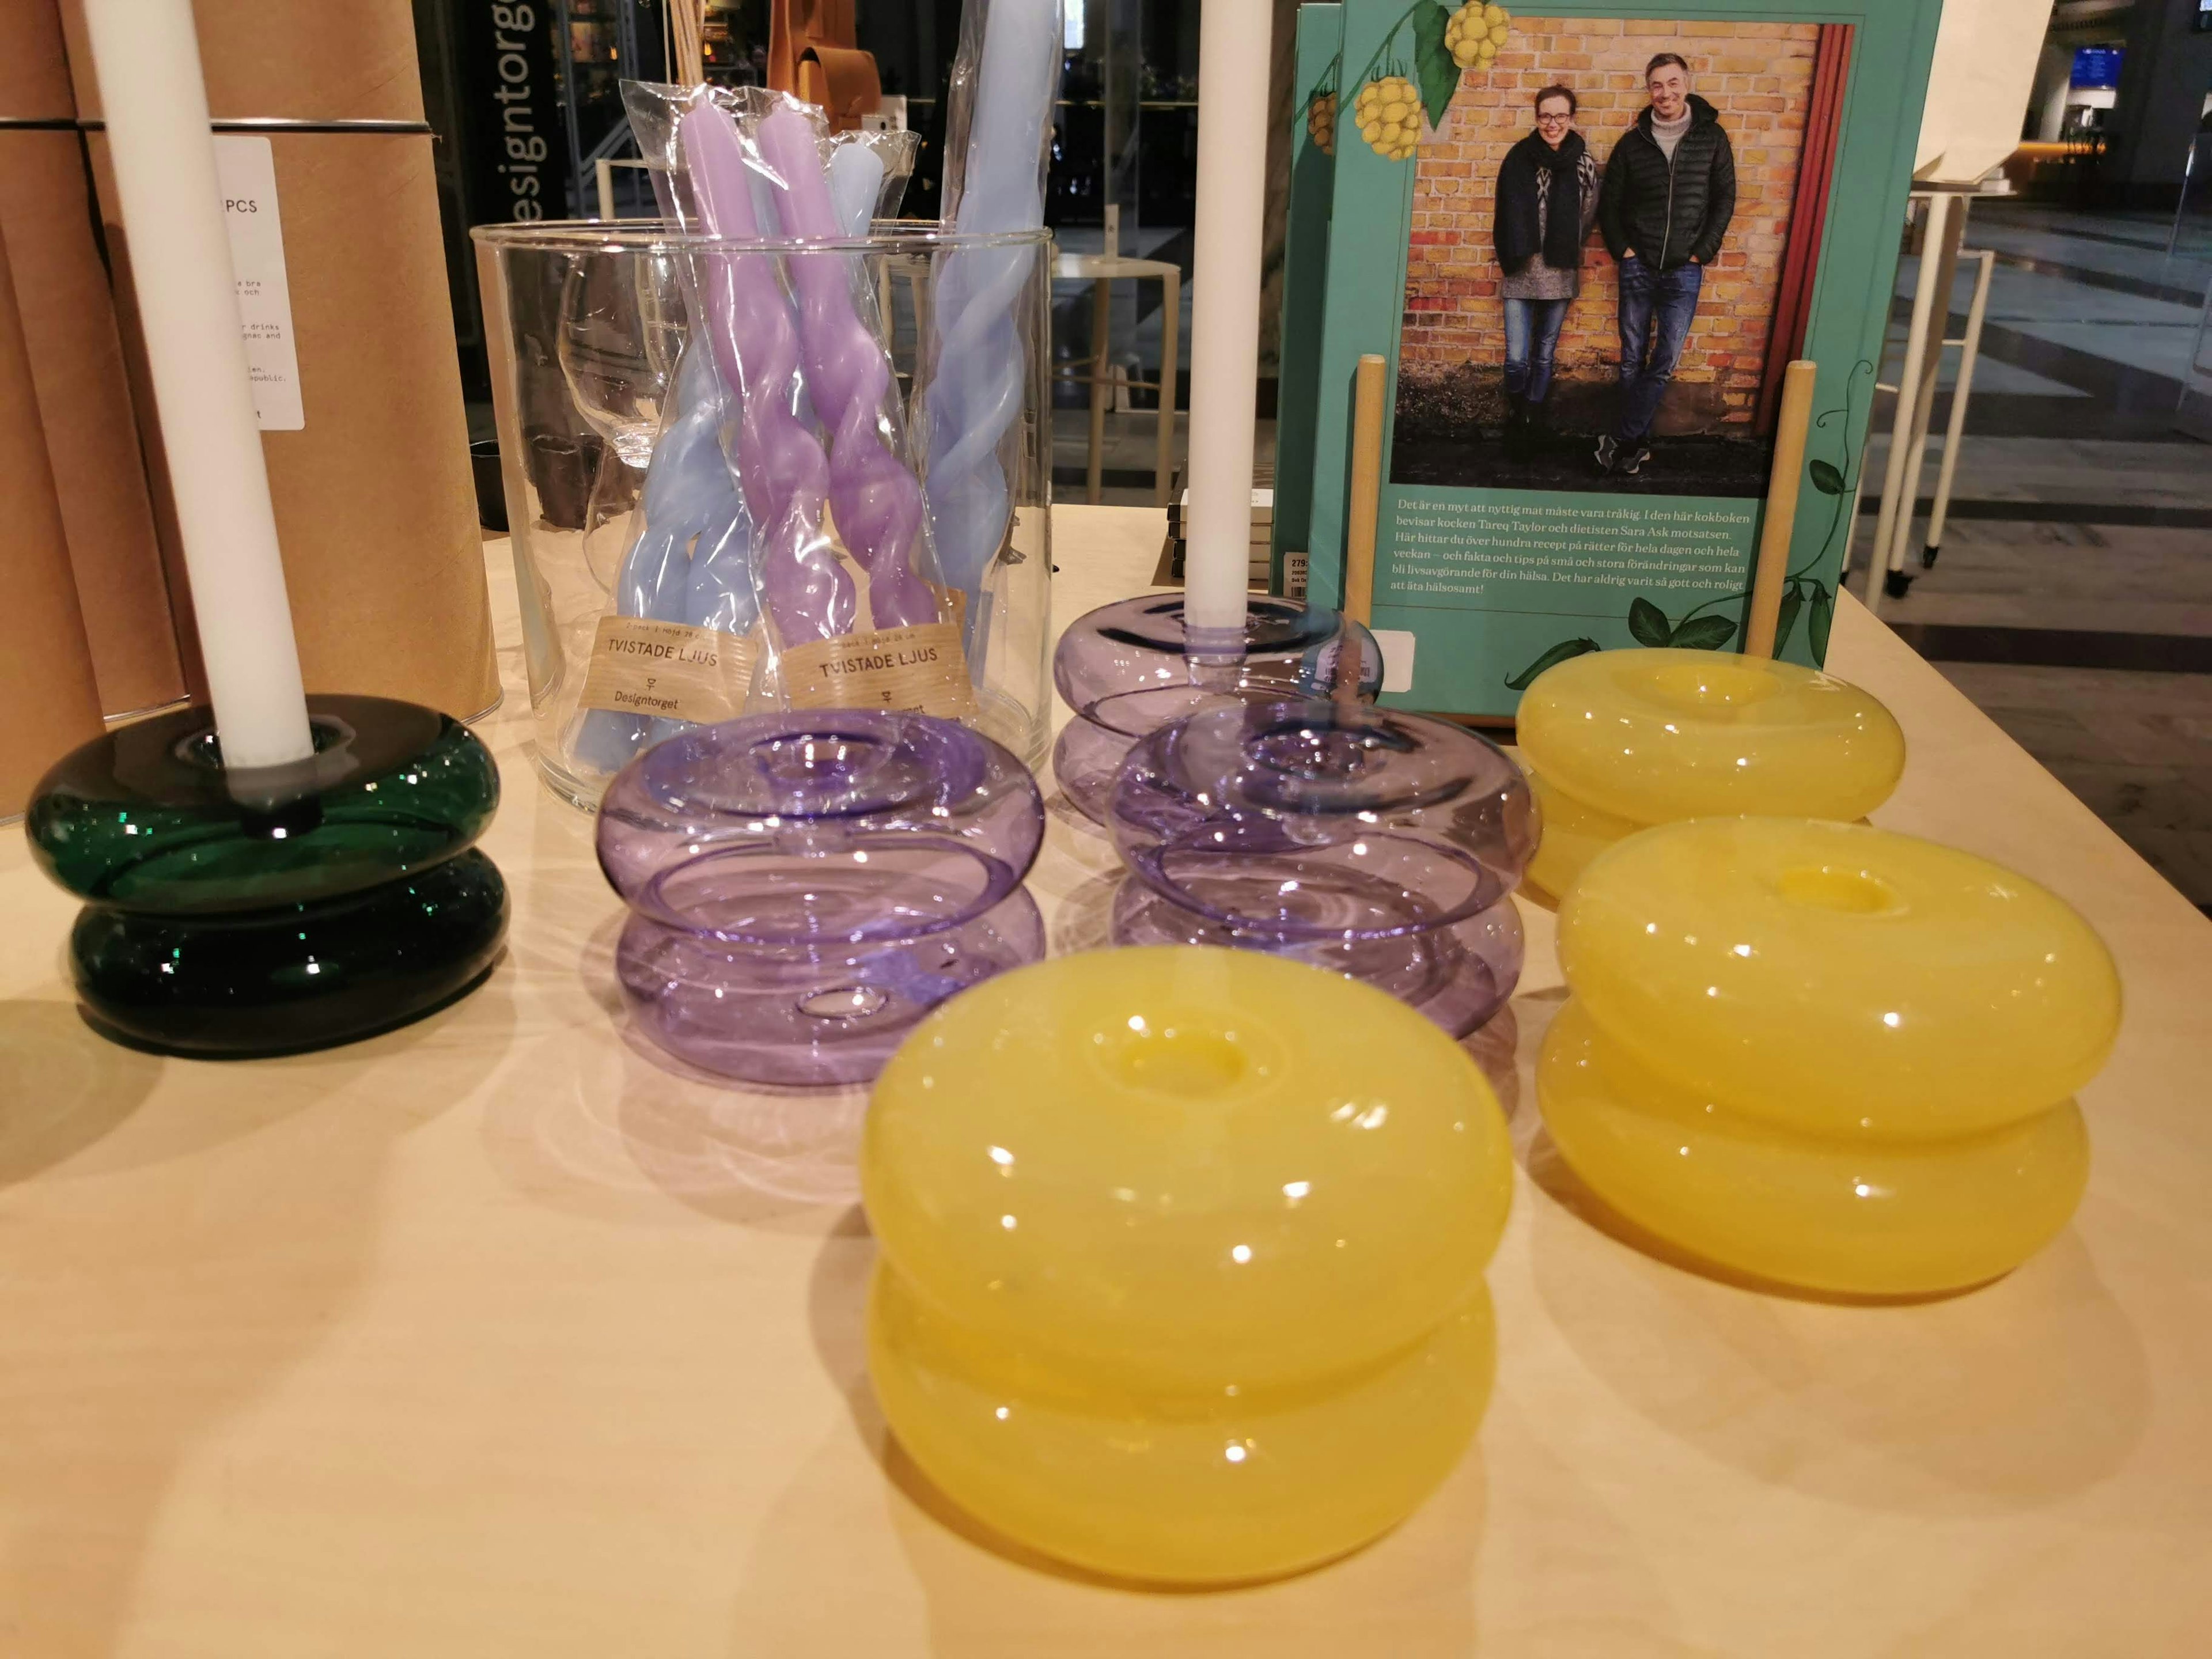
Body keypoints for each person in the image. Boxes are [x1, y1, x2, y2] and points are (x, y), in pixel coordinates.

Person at [1594, 52, 1736, 476]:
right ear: (1648, 90)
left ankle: (1621, 439)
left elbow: (1724, 199)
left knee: (1665, 358)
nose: (1665, 93)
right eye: (1657, 85)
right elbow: (1609, 205)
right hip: (1638, 266)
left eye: (1673, 83)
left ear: (1687, 84)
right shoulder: (1632, 144)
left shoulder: (1712, 139)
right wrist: (1625, 251)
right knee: (1631, 357)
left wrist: (1702, 251)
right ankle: (1634, 444)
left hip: (1684, 269)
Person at [1494, 84, 1600, 459]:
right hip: (1520, 269)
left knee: (1543, 355)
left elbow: (1587, 216)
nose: (1552, 123)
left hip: (1560, 270)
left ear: (1572, 118)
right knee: (1517, 357)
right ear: (1536, 117)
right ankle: (1517, 412)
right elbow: (1504, 214)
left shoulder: (1584, 162)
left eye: (1560, 116)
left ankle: (1532, 422)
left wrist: (1563, 245)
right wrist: (1519, 252)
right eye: (1545, 115)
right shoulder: (1518, 158)